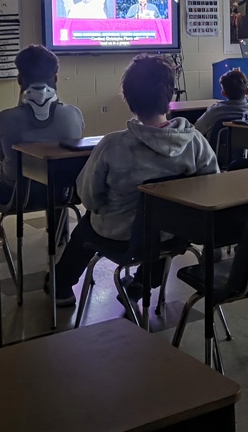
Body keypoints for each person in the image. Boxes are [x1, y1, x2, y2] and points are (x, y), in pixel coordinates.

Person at [53, 55, 218, 307]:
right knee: (162, 218)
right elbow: (212, 189)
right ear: (170, 94)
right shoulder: (195, 142)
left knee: (86, 227)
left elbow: (89, 197)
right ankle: (143, 283)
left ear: (128, 98)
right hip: (174, 235)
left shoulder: (111, 145)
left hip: (119, 236)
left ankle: (61, 287)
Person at [0, 45, 85, 227]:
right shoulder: (74, 115)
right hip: (61, 193)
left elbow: (0, 156)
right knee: (56, 175)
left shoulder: (4, 118)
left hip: (14, 192)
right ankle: (59, 235)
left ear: (20, 78)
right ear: (56, 77)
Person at [193, 69, 248, 159]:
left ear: (223, 93)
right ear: (247, 91)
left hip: (214, 159)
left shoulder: (215, 111)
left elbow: (196, 131)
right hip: (242, 159)